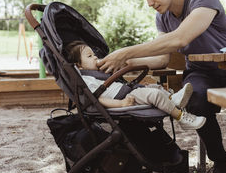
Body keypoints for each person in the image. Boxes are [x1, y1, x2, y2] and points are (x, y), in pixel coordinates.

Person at [97, 0, 226, 173]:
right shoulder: (163, 18)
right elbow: (161, 59)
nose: (149, 3)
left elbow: (180, 38)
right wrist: (123, 63)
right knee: (195, 101)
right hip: (200, 72)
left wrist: (126, 51)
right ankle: (221, 163)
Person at [65, 40, 206, 130]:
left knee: (154, 87)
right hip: (122, 99)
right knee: (154, 94)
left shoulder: (98, 73)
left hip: (127, 91)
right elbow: (97, 99)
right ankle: (181, 117)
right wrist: (120, 104)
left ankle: (172, 99)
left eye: (93, 54)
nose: (95, 57)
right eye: (89, 56)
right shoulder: (87, 80)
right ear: (79, 66)